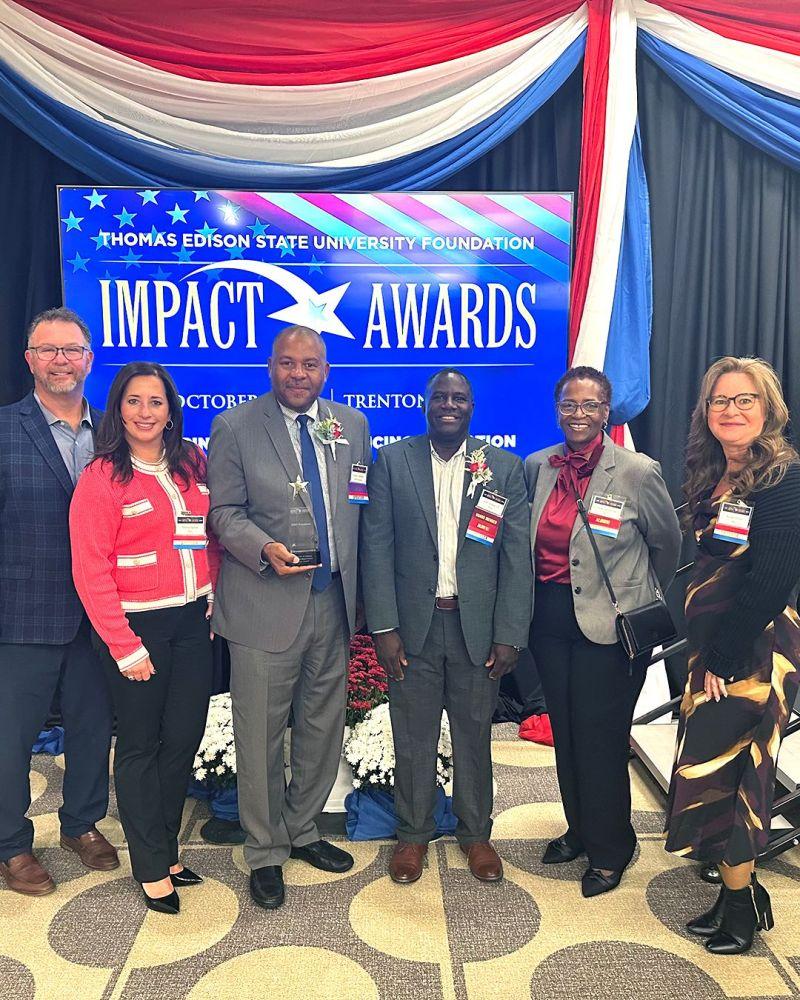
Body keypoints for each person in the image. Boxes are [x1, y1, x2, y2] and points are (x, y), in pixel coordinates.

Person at [207, 325, 371, 911]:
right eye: (287, 363)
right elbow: (223, 513)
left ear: (326, 370)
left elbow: (360, 508)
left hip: (333, 600)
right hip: (263, 601)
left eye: (310, 364)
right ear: (270, 366)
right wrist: (262, 547)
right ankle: (265, 850)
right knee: (259, 734)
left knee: (323, 725)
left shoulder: (351, 425)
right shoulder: (235, 426)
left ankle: (302, 829)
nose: (298, 374)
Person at [361, 368, 532, 885]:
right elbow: (376, 547)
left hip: (475, 629)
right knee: (412, 736)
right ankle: (412, 834)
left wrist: (510, 633)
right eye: (441, 397)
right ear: (427, 405)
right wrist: (383, 627)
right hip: (412, 628)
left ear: (472, 408)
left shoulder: (503, 468)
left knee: (474, 735)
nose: (450, 405)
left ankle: (476, 834)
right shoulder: (393, 462)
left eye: (459, 398)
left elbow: (516, 559)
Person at [526, 365, 681, 897]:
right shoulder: (538, 466)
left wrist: (637, 594)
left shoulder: (637, 471)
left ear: (606, 412)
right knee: (567, 732)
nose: (579, 414)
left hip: (612, 626)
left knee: (602, 737)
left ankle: (612, 847)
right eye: (569, 404)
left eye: (590, 405)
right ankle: (580, 830)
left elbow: (666, 544)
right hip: (549, 621)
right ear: (557, 410)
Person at [70, 361, 218, 915]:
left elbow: (208, 537)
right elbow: (90, 569)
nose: (145, 413)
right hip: (136, 629)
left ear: (170, 411)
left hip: (191, 623)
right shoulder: (101, 476)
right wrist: (124, 645)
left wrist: (211, 594)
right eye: (133, 401)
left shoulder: (192, 462)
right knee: (139, 746)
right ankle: (151, 865)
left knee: (182, 740)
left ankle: (168, 849)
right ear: (118, 408)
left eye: (155, 402)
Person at [665, 357, 800, 954]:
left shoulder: (782, 478)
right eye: (720, 400)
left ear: (768, 409)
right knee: (716, 773)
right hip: (716, 650)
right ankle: (735, 894)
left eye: (746, 399)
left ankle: (742, 910)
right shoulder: (716, 474)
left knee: (740, 775)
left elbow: (771, 580)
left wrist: (720, 656)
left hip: (754, 651)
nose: (732, 410)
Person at [0, 307, 118, 897]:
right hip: (22, 611)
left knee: (93, 728)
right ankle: (11, 844)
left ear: (89, 360)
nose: (61, 360)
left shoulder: (116, 433)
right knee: (11, 736)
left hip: (101, 615)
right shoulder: (4, 429)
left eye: (71, 350)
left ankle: (81, 824)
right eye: (48, 350)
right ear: (30, 360)